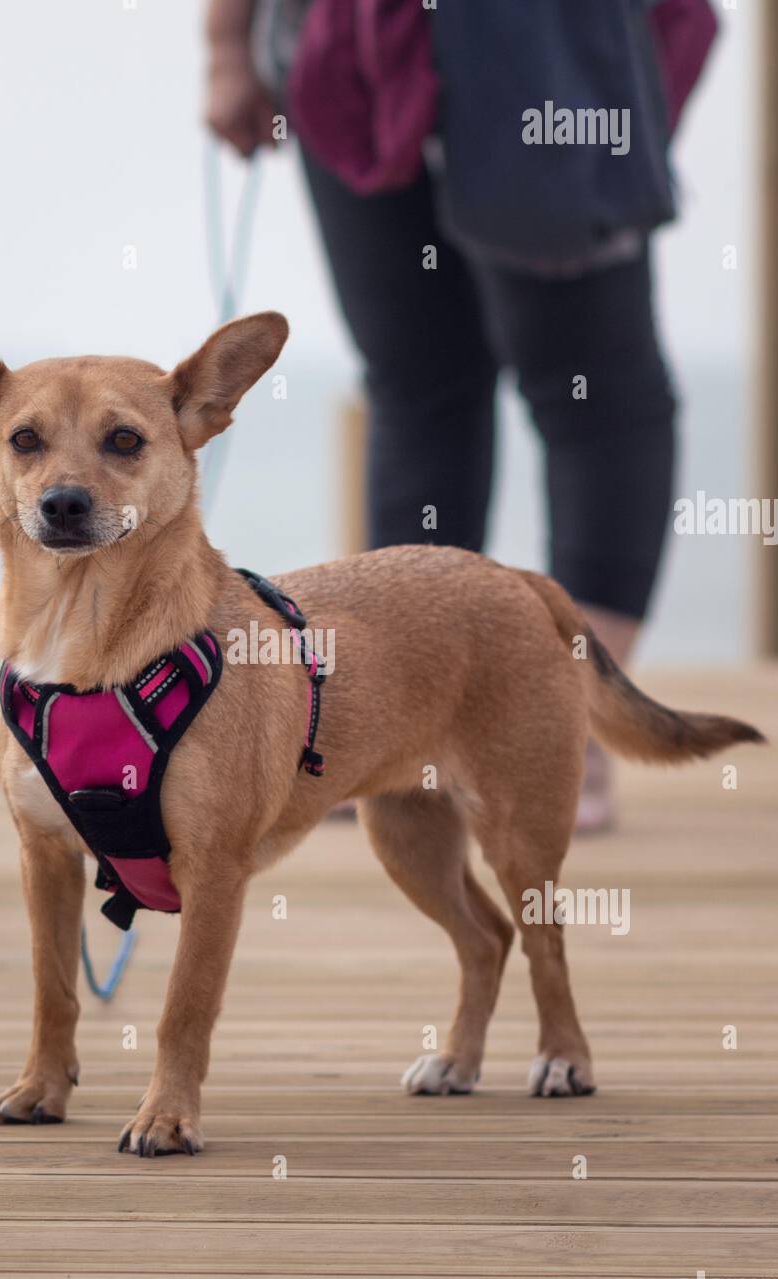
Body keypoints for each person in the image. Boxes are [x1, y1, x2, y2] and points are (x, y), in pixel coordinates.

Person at [206, 0, 695, 831]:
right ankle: (401, 728)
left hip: (555, 45)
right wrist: (227, 46)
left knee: (593, 390)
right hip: (340, 46)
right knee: (416, 382)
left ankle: (571, 730)